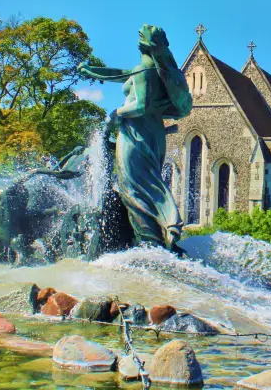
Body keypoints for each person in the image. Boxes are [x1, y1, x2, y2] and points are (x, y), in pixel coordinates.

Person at [77, 24, 193, 252]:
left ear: (144, 44)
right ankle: (163, 230)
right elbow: (121, 74)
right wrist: (92, 72)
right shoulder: (153, 69)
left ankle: (151, 242)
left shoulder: (145, 69)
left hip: (135, 135)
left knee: (134, 188)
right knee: (148, 183)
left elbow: (140, 105)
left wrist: (115, 115)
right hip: (152, 134)